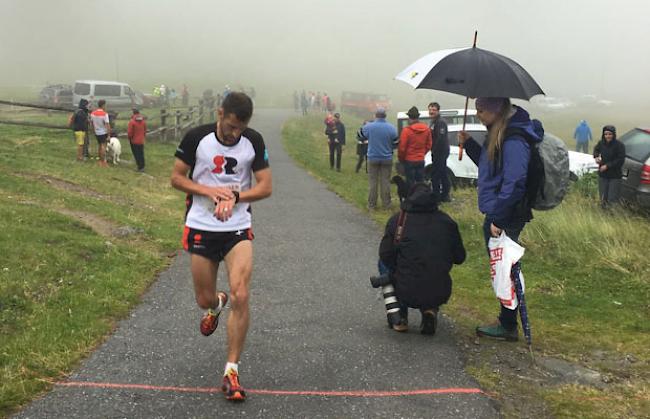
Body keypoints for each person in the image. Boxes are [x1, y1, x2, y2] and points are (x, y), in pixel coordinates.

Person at [170, 92, 272, 402]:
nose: (234, 134)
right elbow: (176, 177)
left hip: (237, 227)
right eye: (230, 126)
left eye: (240, 128)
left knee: (242, 292)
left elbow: (266, 187)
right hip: (201, 224)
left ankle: (231, 369)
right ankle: (216, 304)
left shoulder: (252, 140)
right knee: (203, 298)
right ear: (220, 113)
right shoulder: (196, 138)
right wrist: (209, 191)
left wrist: (236, 197)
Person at [458, 97, 542, 341]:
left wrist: (499, 218)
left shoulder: (514, 139)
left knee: (505, 268)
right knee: (503, 267)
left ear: (496, 111)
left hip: (506, 214)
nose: (477, 115)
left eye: (481, 110)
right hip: (500, 211)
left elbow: (515, 182)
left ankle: (507, 325)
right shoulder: (499, 133)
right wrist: (471, 145)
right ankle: (507, 320)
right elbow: (491, 168)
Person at [378, 182, 466, 334]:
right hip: (440, 290)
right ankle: (430, 310)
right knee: (431, 266)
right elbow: (460, 257)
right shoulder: (447, 222)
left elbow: (385, 254)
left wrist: (398, 268)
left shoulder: (398, 220)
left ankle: (399, 316)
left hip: (406, 287)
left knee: (382, 264)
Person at [362, 107, 398, 209]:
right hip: (387, 157)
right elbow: (396, 142)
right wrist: (390, 147)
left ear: (375, 115)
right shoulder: (391, 127)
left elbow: (360, 136)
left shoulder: (369, 126)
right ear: (385, 116)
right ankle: (386, 204)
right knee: (385, 181)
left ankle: (371, 204)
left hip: (372, 157)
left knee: (373, 182)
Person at [398, 106, 432, 188]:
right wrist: (422, 153)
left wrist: (401, 159)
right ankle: (420, 197)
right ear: (418, 117)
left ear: (409, 118)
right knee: (420, 182)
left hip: (409, 160)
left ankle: (411, 198)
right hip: (420, 159)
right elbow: (429, 144)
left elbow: (402, 148)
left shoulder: (406, 131)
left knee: (410, 182)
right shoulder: (426, 129)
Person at [593, 125, 626, 208]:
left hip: (615, 176)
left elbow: (620, 160)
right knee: (603, 197)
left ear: (614, 134)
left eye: (610, 134)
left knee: (612, 199)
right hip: (603, 175)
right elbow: (596, 149)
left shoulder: (620, 145)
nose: (607, 136)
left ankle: (612, 216)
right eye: (606, 134)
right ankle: (603, 216)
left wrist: (607, 166)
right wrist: (596, 156)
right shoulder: (601, 143)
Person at [428, 102, 451, 202]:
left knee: (438, 174)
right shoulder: (433, 122)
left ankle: (441, 195)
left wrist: (434, 149)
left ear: (438, 111)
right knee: (440, 173)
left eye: (434, 110)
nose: (431, 112)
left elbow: (440, 139)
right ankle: (441, 195)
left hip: (441, 152)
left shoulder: (440, 122)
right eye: (430, 110)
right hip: (436, 152)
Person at [90, 99, 111, 167]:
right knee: (103, 146)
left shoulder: (93, 113)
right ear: (103, 105)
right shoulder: (105, 114)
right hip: (103, 132)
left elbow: (92, 123)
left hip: (97, 132)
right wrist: (108, 135)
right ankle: (103, 161)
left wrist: (93, 130)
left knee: (99, 146)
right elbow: (107, 125)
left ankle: (99, 160)